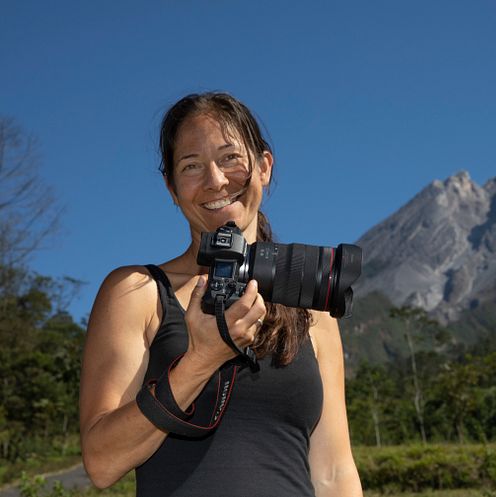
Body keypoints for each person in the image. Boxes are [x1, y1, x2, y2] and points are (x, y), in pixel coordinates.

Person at [79, 92, 364, 497]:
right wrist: (199, 360)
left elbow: (334, 472)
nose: (215, 180)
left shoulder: (311, 309)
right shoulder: (138, 292)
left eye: (230, 158)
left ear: (264, 167)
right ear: (172, 187)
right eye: (192, 166)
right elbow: (101, 463)